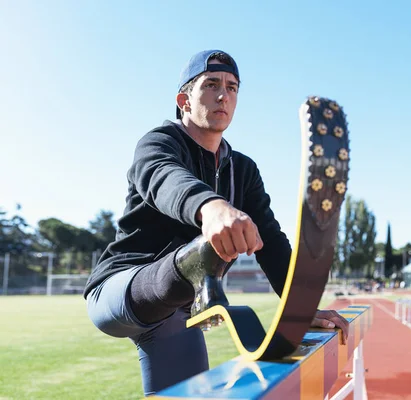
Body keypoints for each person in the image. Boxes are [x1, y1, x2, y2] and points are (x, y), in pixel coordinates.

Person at [83, 49, 349, 396]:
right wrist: (210, 207)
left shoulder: (244, 169)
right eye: (211, 85)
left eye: (232, 87)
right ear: (184, 100)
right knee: (208, 250)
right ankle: (202, 271)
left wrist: (298, 308)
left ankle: (202, 275)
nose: (224, 95)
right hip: (122, 290)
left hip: (177, 316)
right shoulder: (158, 143)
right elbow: (163, 177)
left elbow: (269, 238)